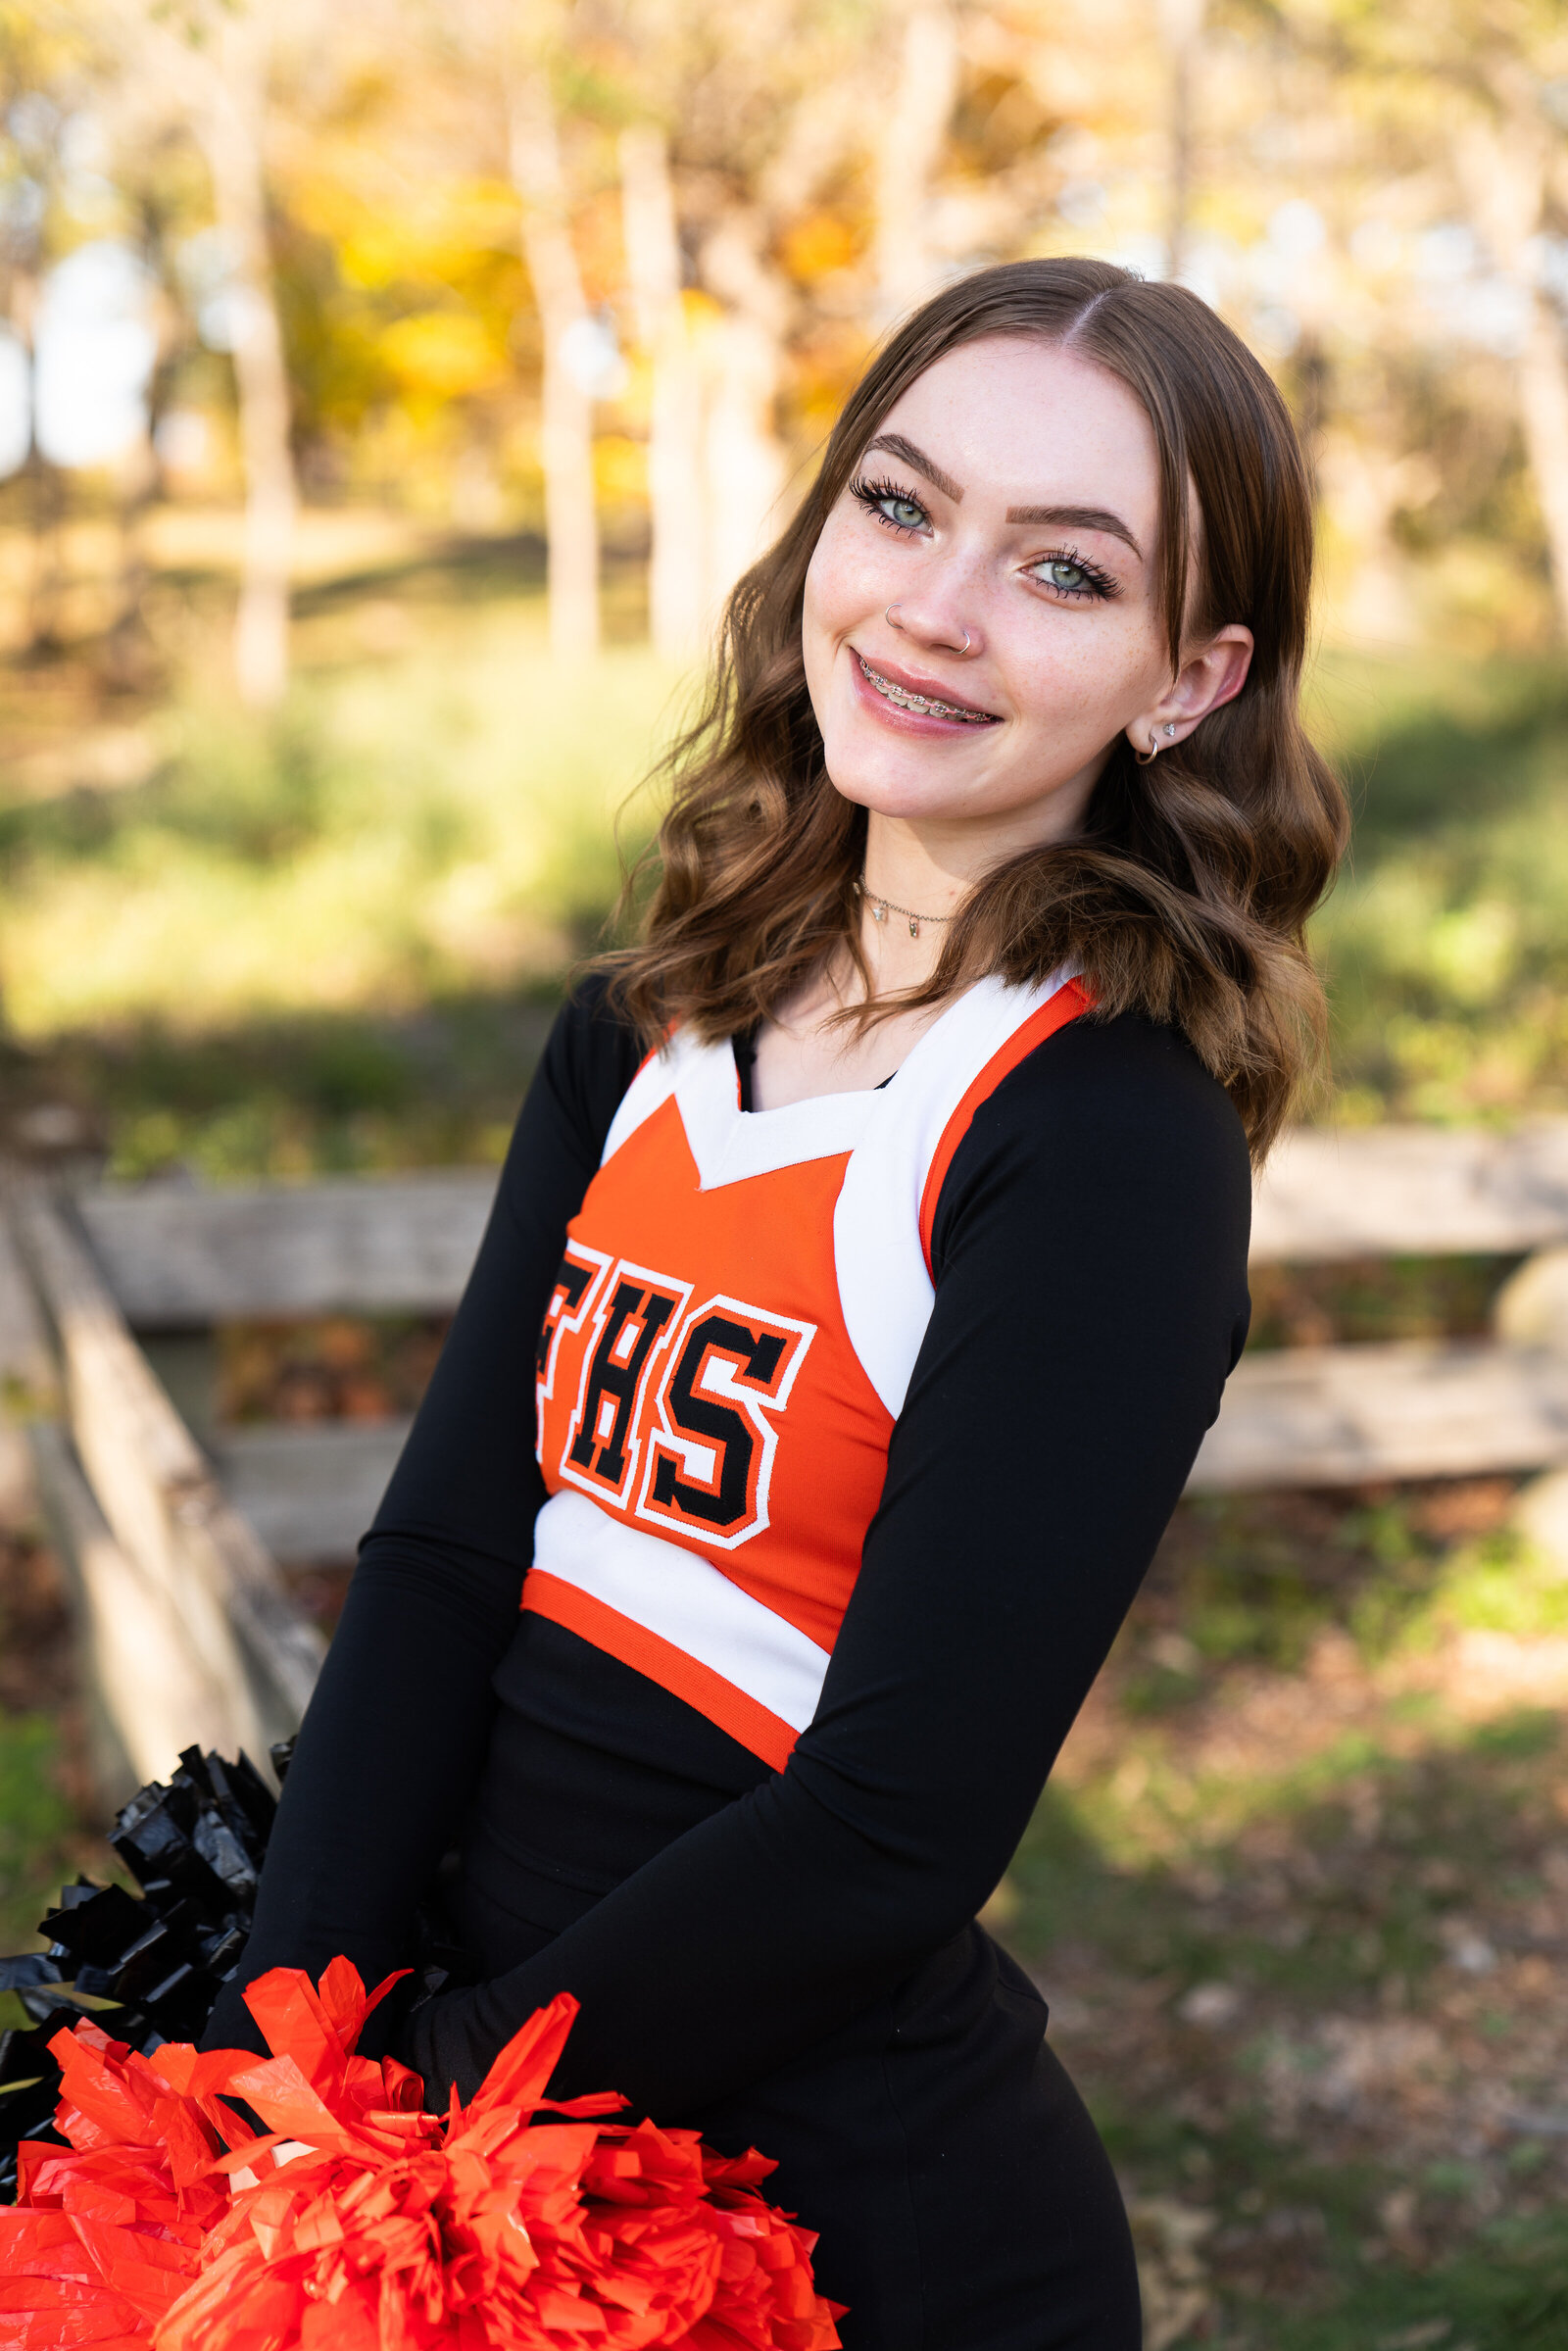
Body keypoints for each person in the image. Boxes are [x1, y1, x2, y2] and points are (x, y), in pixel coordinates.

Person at [205, 257, 1348, 2348]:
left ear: (1184, 683)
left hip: (824, 2237)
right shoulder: (637, 1033)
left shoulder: (1096, 1135)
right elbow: (453, 1550)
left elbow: (888, 1832)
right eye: (899, 508)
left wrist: (441, 2114)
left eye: (1062, 571)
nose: (932, 608)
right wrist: (289, 2056)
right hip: (463, 2145)